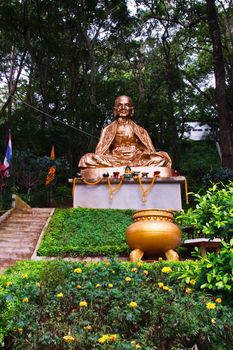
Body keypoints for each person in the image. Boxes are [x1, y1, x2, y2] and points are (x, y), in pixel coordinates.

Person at [79, 95, 172, 168]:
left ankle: (128, 166)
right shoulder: (108, 129)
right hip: (115, 159)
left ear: (132, 109)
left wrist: (137, 153)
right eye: (120, 105)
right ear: (115, 109)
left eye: (127, 105)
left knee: (162, 158)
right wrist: (115, 154)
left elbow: (149, 151)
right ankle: (123, 167)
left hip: (136, 159)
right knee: (87, 158)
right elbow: (101, 152)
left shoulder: (141, 130)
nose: (123, 108)